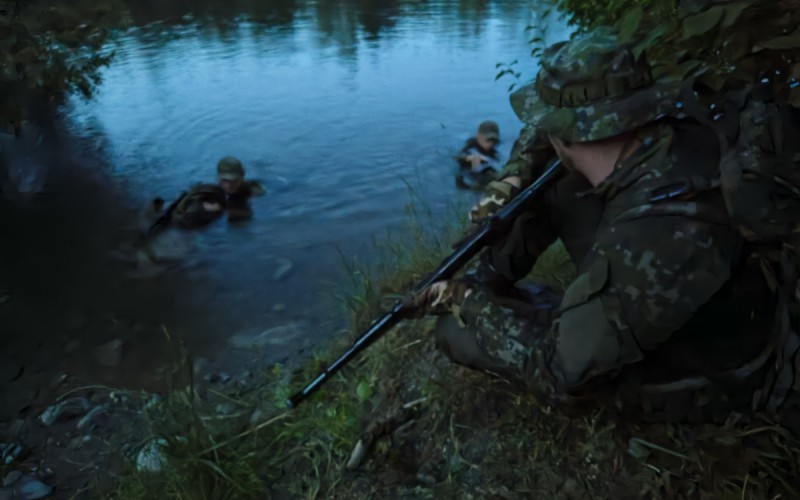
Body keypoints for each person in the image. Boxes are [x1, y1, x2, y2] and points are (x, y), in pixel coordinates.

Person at [408, 27, 795, 424]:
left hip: (711, 375)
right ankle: (489, 278)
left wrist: (469, 304)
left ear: (572, 131)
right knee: (555, 184)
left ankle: (514, 304)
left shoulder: (661, 232)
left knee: (456, 332)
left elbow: (559, 373)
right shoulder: (666, 121)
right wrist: (511, 179)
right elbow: (540, 133)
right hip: (692, 299)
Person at [454, 120, 503, 191]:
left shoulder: (492, 151)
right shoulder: (471, 148)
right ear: (478, 135)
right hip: (472, 174)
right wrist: (468, 158)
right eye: (488, 140)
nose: (491, 144)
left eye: (493, 140)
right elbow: (459, 157)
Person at [215, 156, 265, 220]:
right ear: (219, 178)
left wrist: (222, 209)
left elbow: (257, 213)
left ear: (242, 177)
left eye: (234, 180)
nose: (229, 185)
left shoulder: (254, 190)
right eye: (225, 180)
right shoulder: (217, 188)